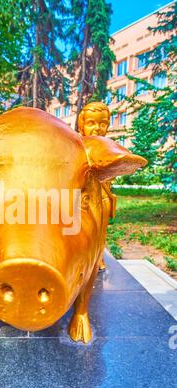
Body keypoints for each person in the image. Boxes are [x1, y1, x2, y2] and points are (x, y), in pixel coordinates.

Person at [78, 101, 116, 271]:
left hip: (103, 196)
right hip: (82, 198)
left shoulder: (109, 146)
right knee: (81, 231)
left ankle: (99, 257)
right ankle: (81, 259)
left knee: (100, 231)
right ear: (82, 125)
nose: (97, 128)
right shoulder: (77, 146)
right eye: (91, 123)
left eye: (103, 123)